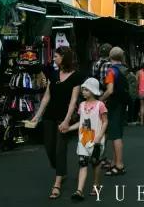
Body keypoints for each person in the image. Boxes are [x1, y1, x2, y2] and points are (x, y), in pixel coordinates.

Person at [31, 46, 83, 199]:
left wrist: (67, 121)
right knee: (49, 148)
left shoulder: (76, 76)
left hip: (63, 117)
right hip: (49, 116)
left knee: (60, 149)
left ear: (64, 57)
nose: (53, 59)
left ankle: (57, 183)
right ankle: (61, 169)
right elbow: (46, 97)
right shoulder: (53, 75)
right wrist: (37, 116)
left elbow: (73, 101)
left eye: (56, 56)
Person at [66, 78, 108, 201]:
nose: (83, 92)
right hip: (83, 139)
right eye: (83, 89)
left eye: (86, 89)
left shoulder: (100, 105)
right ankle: (79, 191)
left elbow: (105, 121)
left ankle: (96, 184)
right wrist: (69, 128)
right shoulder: (82, 105)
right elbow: (81, 122)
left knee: (95, 163)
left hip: (96, 140)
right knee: (83, 164)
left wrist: (99, 136)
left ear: (93, 90)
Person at [100, 47, 128, 176]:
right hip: (123, 104)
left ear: (110, 57)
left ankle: (119, 165)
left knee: (115, 135)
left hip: (114, 105)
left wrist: (101, 99)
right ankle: (114, 162)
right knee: (117, 134)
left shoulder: (111, 70)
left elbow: (110, 90)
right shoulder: (125, 69)